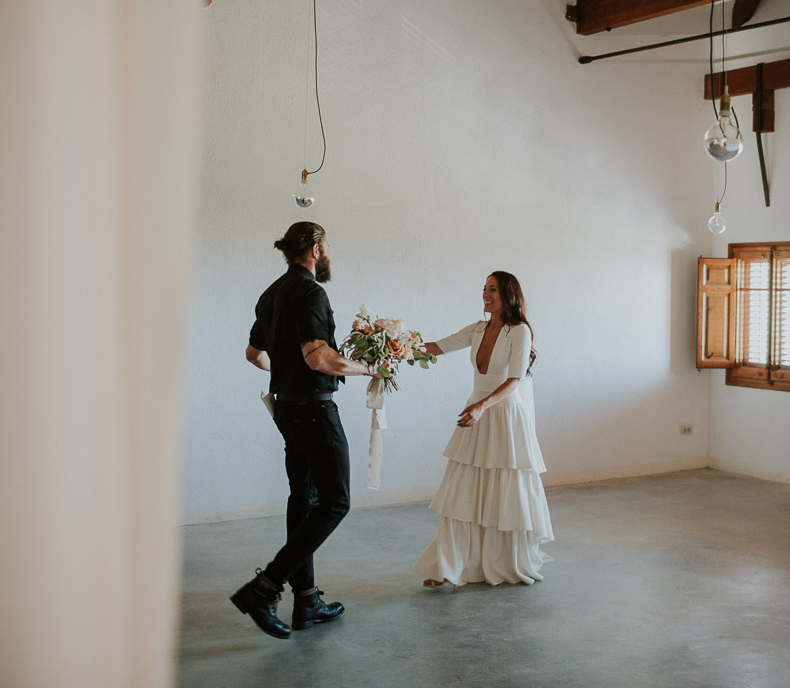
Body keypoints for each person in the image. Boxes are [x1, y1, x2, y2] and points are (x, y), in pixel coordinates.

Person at [231, 221, 381, 639]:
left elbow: (253, 354)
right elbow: (318, 358)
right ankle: (264, 587)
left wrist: (286, 375)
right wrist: (372, 367)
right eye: (328, 245)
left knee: (303, 501)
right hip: (315, 412)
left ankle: (307, 600)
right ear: (315, 249)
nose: (329, 252)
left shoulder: (272, 293)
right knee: (335, 502)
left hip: (285, 411)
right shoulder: (312, 292)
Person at [412, 271, 554, 587]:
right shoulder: (478, 328)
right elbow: (436, 347)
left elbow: (513, 381)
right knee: (461, 492)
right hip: (475, 413)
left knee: (503, 491)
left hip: (502, 416)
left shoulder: (519, 332)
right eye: (484, 289)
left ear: (508, 295)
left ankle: (504, 561)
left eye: (493, 289)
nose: (485, 295)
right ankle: (448, 566)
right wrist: (393, 345)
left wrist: (481, 406)